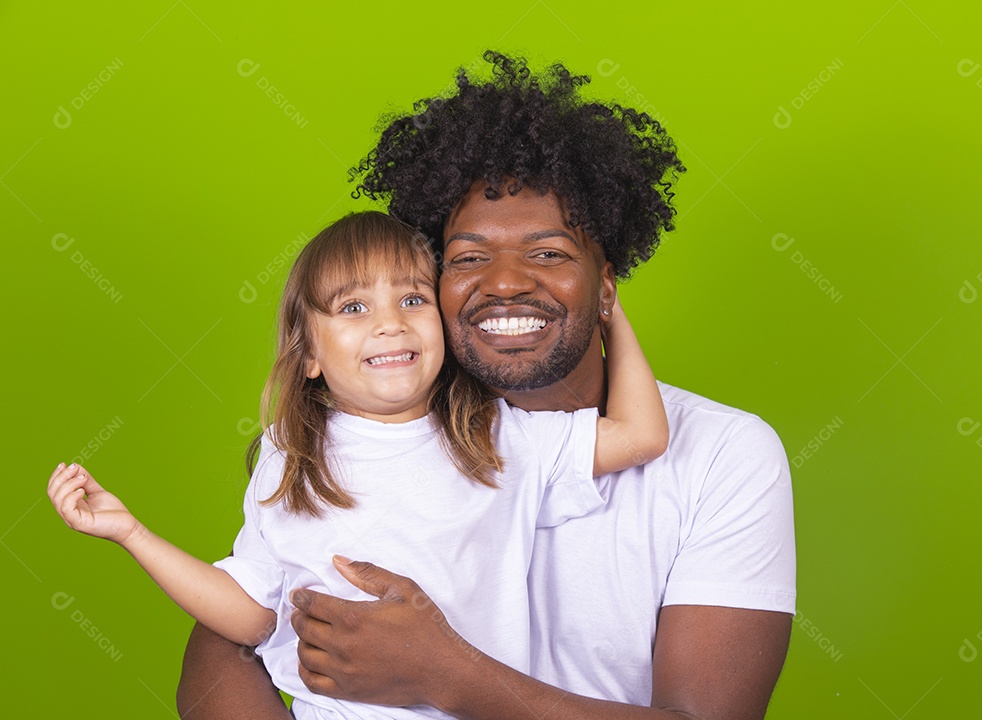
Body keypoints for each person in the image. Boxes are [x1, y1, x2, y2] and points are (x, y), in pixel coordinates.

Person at [177, 51, 796, 720]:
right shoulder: (370, 430)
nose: (504, 282)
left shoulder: (724, 455)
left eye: (548, 253)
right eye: (468, 257)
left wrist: (448, 674)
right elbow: (232, 638)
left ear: (606, 278)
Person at [47, 210, 669, 720]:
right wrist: (132, 534)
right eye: (352, 308)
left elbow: (641, 435)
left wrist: (606, 308)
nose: (389, 324)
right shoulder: (289, 456)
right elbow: (252, 613)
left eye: (413, 299)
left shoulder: (499, 438)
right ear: (309, 353)